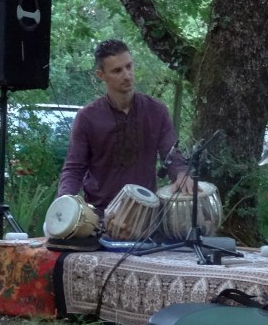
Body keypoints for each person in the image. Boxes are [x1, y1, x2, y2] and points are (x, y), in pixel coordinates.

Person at [58, 39, 191, 215]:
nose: (127, 75)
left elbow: (172, 155)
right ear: (101, 75)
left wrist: (181, 174)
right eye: (117, 70)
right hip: (100, 214)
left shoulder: (156, 111)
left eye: (129, 66)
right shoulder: (87, 117)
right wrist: (63, 204)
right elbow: (74, 169)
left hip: (146, 213)